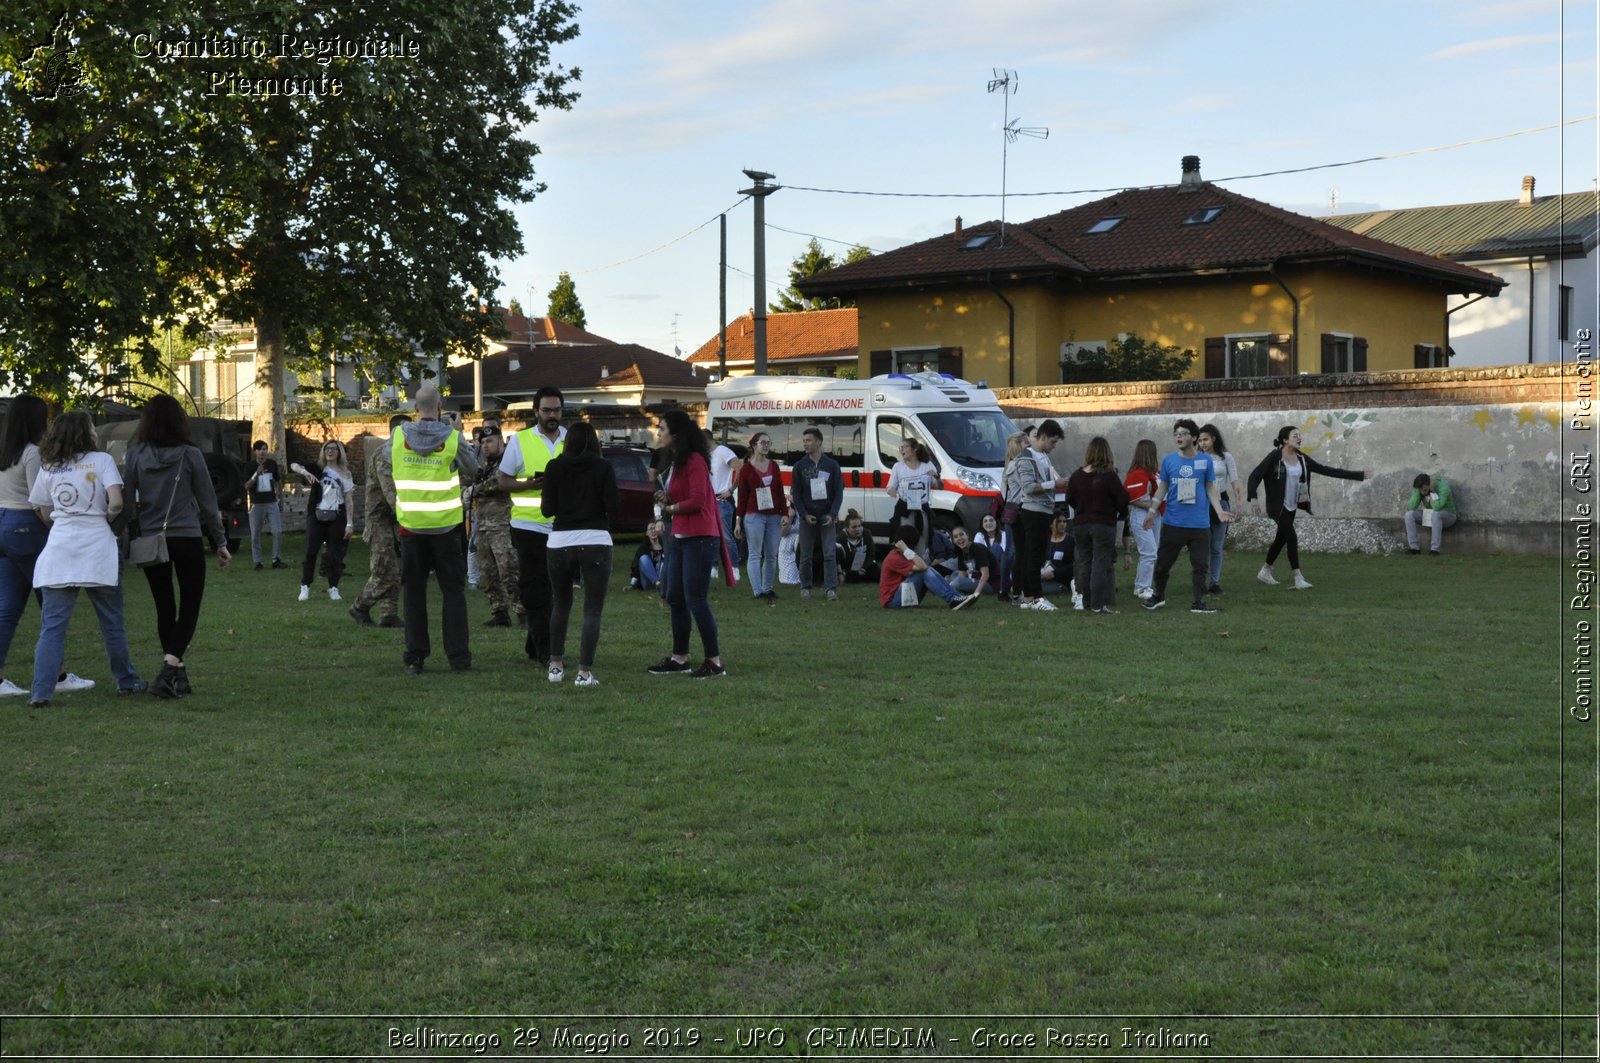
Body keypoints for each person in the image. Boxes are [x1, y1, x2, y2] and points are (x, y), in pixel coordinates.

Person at [26, 412, 146, 706]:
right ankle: (126, 681)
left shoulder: (49, 466)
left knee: (53, 626)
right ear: (86, 433)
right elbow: (117, 501)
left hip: (60, 548)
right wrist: (105, 516)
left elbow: (41, 508)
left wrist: (59, 522)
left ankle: (41, 692)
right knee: (111, 621)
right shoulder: (102, 461)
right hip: (97, 546)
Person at [124, 393, 234, 698]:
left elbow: (127, 504)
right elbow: (208, 502)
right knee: (189, 606)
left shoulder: (135, 455)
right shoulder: (190, 455)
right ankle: (167, 672)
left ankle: (178, 674)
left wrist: (122, 534)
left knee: (164, 608)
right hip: (186, 537)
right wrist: (220, 540)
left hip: (150, 539)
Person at [0, 396, 95, 699]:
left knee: (7, 607)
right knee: (51, 602)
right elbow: (40, 498)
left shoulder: (5, 453)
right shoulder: (31, 455)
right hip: (27, 525)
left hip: (3, 525)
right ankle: (56, 675)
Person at [395, 385, 479, 674]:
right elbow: (473, 468)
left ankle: (415, 657)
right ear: (440, 405)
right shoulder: (453, 438)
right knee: (453, 594)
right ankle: (459, 658)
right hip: (445, 529)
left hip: (411, 528)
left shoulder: (398, 436)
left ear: (415, 407)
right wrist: (457, 430)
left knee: (414, 595)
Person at [648, 409, 729, 679]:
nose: (659, 433)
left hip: (700, 538)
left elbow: (697, 501)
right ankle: (679, 657)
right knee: (676, 598)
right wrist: (666, 497)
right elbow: (682, 496)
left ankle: (714, 661)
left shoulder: (694, 460)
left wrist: (670, 508)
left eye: (662, 428)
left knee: (696, 599)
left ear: (677, 433)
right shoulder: (678, 462)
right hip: (682, 537)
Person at [541, 421, 618, 688]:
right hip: (596, 538)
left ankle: (555, 664)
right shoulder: (603, 467)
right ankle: (584, 672)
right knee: (592, 610)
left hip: (560, 540)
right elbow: (613, 506)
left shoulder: (554, 467)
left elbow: (546, 510)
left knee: (561, 603)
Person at [1246, 425, 1367, 590]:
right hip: (1277, 506)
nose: (1299, 438)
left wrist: (1358, 475)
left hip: (1292, 506)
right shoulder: (1274, 457)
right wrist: (1253, 497)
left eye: (1300, 435)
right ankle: (1298, 578)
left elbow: (1325, 470)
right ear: (1285, 440)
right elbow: (1255, 476)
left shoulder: (1302, 458)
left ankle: (1265, 570)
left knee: (1281, 539)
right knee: (1292, 537)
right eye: (1295, 435)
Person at [498, 386, 564, 665]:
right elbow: (502, 480)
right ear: (536, 411)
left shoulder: (570, 440)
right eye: (547, 410)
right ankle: (546, 651)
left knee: (554, 589)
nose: (552, 415)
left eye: (557, 410)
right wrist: (527, 485)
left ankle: (534, 643)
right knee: (535, 588)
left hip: (562, 527)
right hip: (528, 527)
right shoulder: (520, 441)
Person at [1143, 419, 1234, 614]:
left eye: (1184, 433)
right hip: (1173, 522)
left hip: (1199, 525)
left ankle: (1199, 602)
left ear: (1193, 437)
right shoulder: (1169, 460)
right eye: (1176, 433)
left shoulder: (1205, 461)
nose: (1179, 436)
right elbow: (1162, 488)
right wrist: (1151, 512)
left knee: (1200, 566)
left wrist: (1219, 511)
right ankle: (1158, 596)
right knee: (1163, 565)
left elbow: (1210, 488)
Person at [350, 414, 407, 628]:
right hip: (380, 522)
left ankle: (388, 614)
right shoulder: (385, 454)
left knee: (396, 570)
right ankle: (360, 606)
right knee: (384, 571)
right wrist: (407, 515)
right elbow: (390, 492)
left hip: (393, 521)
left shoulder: (400, 454)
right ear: (394, 431)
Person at [1065, 436, 1130, 614]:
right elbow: (1123, 499)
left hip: (1081, 524)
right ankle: (1097, 604)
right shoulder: (1109, 475)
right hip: (1103, 524)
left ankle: (1086, 602)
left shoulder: (1077, 475)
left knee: (1085, 563)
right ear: (1107, 453)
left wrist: (1082, 508)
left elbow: (1069, 498)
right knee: (1100, 563)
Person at [1008, 420, 1068, 611]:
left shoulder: (1042, 456)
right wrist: (1055, 484)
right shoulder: (1025, 458)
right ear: (1043, 437)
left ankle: (1028, 597)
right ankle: (1035, 597)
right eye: (1053, 442)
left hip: (1043, 511)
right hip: (1032, 511)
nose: (1054, 446)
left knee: (1036, 555)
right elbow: (1028, 487)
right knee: (1032, 556)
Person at [467, 422, 522, 627]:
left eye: (490, 441)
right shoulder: (483, 466)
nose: (486, 445)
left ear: (500, 440)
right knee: (487, 572)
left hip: (502, 524)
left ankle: (522, 612)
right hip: (482, 525)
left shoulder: (508, 462)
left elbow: (498, 483)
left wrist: (474, 490)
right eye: (482, 442)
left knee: (509, 570)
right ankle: (499, 613)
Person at [289, 440, 355, 602]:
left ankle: (333, 588)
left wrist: (350, 523)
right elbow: (293, 465)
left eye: (334, 449)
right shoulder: (317, 468)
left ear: (339, 452)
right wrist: (305, 473)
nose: (330, 451)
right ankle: (305, 587)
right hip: (316, 516)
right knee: (310, 552)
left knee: (334, 554)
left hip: (337, 517)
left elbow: (348, 499)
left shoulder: (345, 473)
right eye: (327, 449)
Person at [734, 430, 788, 603]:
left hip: (773, 515)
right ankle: (758, 591)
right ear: (754, 446)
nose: (766, 446)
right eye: (763, 443)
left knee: (771, 554)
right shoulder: (746, 469)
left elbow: (779, 491)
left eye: (768, 443)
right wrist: (738, 521)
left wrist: (785, 513)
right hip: (754, 515)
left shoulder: (774, 466)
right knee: (755, 554)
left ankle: (768, 588)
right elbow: (741, 497)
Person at [791, 426, 843, 601]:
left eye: (808, 440)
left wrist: (833, 514)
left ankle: (830, 589)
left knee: (830, 553)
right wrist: (804, 514)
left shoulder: (832, 465)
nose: (805, 443)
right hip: (808, 517)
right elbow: (796, 494)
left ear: (818, 442)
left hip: (827, 516)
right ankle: (805, 586)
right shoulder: (799, 466)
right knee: (805, 554)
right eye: (804, 440)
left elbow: (838, 492)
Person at [879, 521, 979, 610]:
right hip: (893, 601)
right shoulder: (895, 557)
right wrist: (906, 550)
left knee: (927, 569)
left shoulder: (903, 554)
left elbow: (923, 565)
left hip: (905, 595)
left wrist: (907, 551)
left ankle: (955, 597)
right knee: (924, 572)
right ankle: (953, 599)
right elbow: (922, 567)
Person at [1196, 423, 1244, 595]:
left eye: (1206, 439)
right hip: (1201, 503)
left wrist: (1238, 504)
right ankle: (1200, 581)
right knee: (1202, 545)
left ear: (1214, 438)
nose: (1203, 443)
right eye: (1200, 440)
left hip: (1221, 502)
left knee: (1216, 545)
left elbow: (1235, 481)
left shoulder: (1225, 457)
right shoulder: (1197, 457)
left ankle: (1214, 582)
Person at [886, 438, 939, 557]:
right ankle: (905, 570)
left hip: (922, 510)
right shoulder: (898, 467)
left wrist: (937, 477)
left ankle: (921, 567)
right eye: (900, 447)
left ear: (914, 449)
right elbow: (889, 488)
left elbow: (938, 485)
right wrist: (895, 493)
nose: (901, 449)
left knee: (922, 543)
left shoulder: (927, 465)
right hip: (905, 510)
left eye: (905, 447)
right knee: (905, 543)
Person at [1123, 439, 1162, 601]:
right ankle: (1142, 586)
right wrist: (1154, 505)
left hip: (1154, 514)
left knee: (1151, 552)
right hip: (1142, 514)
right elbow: (1132, 498)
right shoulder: (1137, 473)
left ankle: (1143, 585)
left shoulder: (1153, 473)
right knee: (1149, 552)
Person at [705, 429, 742, 581]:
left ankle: (734, 567)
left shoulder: (722, 451)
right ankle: (713, 567)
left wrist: (731, 489)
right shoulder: (706, 455)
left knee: (726, 536)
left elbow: (738, 467)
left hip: (721, 499)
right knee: (710, 535)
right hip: (709, 500)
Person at [246, 440, 286, 570]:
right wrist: (256, 474)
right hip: (256, 503)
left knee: (277, 531)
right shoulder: (250, 466)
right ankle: (258, 561)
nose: (262, 452)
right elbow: (246, 486)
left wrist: (281, 498)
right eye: (260, 449)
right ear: (255, 452)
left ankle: (276, 559)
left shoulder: (272, 464)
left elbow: (278, 481)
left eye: (265, 449)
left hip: (271, 502)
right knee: (255, 534)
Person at [1403, 474, 1457, 555]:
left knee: (1436, 514)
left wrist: (1432, 492)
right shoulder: (1420, 488)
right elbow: (1411, 507)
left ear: (1429, 484)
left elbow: (1437, 507)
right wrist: (1418, 493)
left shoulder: (1444, 488)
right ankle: (1414, 549)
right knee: (1409, 515)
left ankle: (1435, 550)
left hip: (1448, 517)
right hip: (1431, 516)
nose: (1423, 492)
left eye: (1424, 489)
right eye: (1420, 489)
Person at [937, 525, 994, 597]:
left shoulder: (978, 548)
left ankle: (951, 588)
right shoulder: (961, 551)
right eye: (956, 537)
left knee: (955, 582)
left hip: (989, 583)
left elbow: (986, 575)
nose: (959, 538)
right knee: (955, 574)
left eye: (961, 535)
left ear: (967, 535)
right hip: (974, 579)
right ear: (954, 541)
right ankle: (954, 589)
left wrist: (975, 594)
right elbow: (962, 574)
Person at [972, 512, 1013, 599]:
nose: (988, 523)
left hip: (1001, 568)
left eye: (991, 520)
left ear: (996, 522)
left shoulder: (1004, 535)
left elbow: (1008, 555)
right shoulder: (979, 535)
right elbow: (977, 555)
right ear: (982, 525)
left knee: (997, 547)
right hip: (985, 568)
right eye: (985, 521)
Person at [1039, 511, 1076, 601]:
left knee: (1037, 588)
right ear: (1051, 524)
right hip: (1044, 576)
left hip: (1062, 581)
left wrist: (1054, 574)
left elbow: (1073, 565)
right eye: (1059, 521)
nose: (1062, 524)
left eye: (1064, 521)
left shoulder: (1070, 541)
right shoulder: (1046, 540)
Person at [836, 508, 879, 584]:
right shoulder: (841, 538)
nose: (858, 529)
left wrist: (864, 568)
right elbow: (837, 558)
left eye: (859, 526)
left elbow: (871, 554)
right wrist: (841, 572)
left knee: (876, 571)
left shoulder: (866, 533)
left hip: (864, 567)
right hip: (848, 569)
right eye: (854, 527)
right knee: (852, 577)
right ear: (847, 528)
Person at [628, 520, 667, 591]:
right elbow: (636, 567)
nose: (653, 531)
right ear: (647, 533)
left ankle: (661, 583)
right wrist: (632, 585)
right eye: (650, 529)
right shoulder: (643, 548)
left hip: (664, 580)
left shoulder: (665, 546)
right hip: (648, 583)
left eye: (654, 528)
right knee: (643, 558)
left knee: (666, 556)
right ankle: (657, 582)